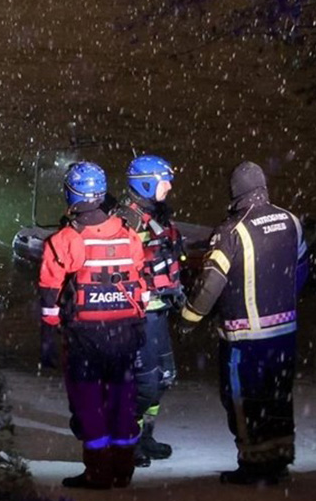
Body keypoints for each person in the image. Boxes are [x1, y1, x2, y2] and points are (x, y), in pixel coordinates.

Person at [178, 161, 309, 485]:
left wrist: (187, 319)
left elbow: (210, 284)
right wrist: (281, 300)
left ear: (234, 192)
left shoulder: (231, 232)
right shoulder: (291, 221)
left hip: (245, 339)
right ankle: (279, 461)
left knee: (243, 400)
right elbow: (303, 267)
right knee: (278, 396)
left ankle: (253, 466)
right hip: (285, 334)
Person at [39, 161, 149, 490]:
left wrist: (48, 336)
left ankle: (97, 472)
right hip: (126, 335)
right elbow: (141, 285)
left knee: (88, 404)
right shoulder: (129, 235)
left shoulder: (65, 241)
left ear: (70, 194)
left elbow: (49, 294)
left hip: (86, 338)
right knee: (122, 400)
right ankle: (123, 469)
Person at [114, 155, 185, 467]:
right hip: (139, 316)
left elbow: (166, 254)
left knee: (165, 377)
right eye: (163, 180)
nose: (169, 186)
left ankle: (145, 436)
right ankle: (128, 441)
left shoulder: (156, 217)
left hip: (159, 310)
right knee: (144, 384)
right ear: (145, 183)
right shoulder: (125, 221)